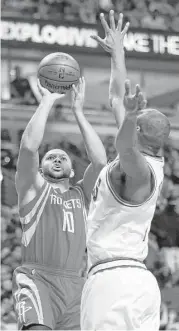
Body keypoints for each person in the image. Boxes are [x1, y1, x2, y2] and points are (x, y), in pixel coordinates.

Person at [81, 10, 171, 330]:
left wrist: (130, 117)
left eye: (137, 116)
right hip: (134, 283)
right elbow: (116, 98)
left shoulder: (140, 172)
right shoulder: (141, 156)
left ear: (142, 133)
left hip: (114, 284)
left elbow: (126, 147)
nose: (132, 111)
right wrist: (117, 52)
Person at [12, 77, 107, 330]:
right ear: (40, 169)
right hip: (37, 278)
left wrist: (78, 112)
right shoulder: (32, 189)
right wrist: (46, 102)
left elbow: (100, 163)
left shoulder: (82, 195)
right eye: (51, 157)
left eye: (62, 158)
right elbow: (29, 148)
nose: (56, 160)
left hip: (76, 285)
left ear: (72, 171)